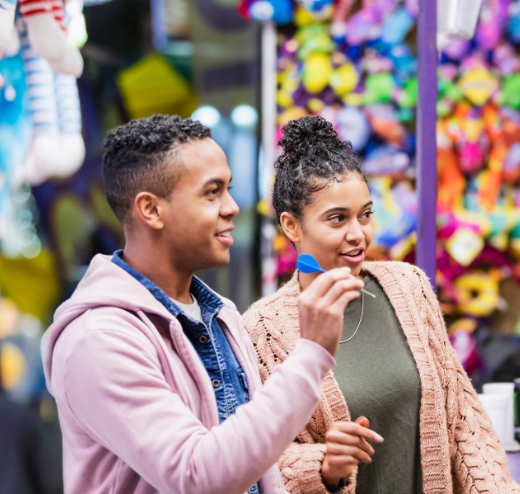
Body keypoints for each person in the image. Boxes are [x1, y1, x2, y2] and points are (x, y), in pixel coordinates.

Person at [40, 114, 369, 494]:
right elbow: (198, 477)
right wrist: (310, 354)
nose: (232, 207)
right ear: (151, 210)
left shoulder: (221, 313)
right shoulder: (97, 340)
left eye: (229, 189)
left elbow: (255, 468)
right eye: (212, 192)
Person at [243, 116, 520, 494]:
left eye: (366, 214)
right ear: (291, 226)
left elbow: (461, 416)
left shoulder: (408, 287)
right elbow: (254, 460)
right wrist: (323, 466)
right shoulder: (261, 329)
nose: (358, 234)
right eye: (337, 219)